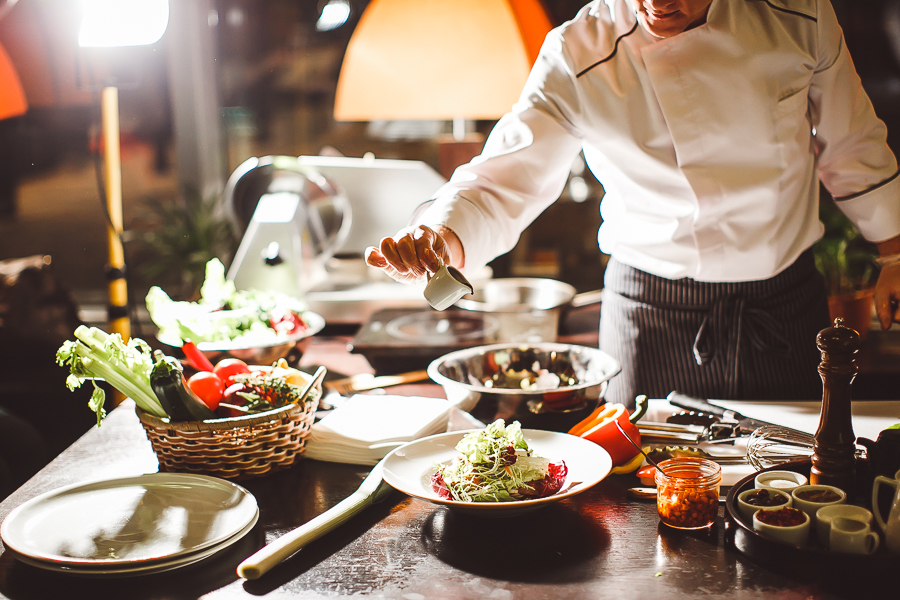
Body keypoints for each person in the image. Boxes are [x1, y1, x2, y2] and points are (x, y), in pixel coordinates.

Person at [365, 0, 900, 408]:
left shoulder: (798, 17)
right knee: (639, 513)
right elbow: (504, 180)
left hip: (783, 306)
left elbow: (851, 144)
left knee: (790, 497)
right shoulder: (577, 50)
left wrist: (895, 253)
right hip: (648, 316)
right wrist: (437, 235)